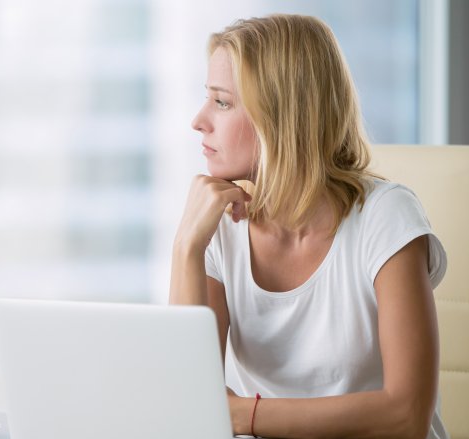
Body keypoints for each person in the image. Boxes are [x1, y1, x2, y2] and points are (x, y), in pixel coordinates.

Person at [169, 14, 449, 439]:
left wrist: (243, 415)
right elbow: (186, 410)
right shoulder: (216, 225)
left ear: (281, 116)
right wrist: (186, 247)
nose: (198, 120)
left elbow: (406, 415)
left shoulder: (385, 218)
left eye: (221, 102)